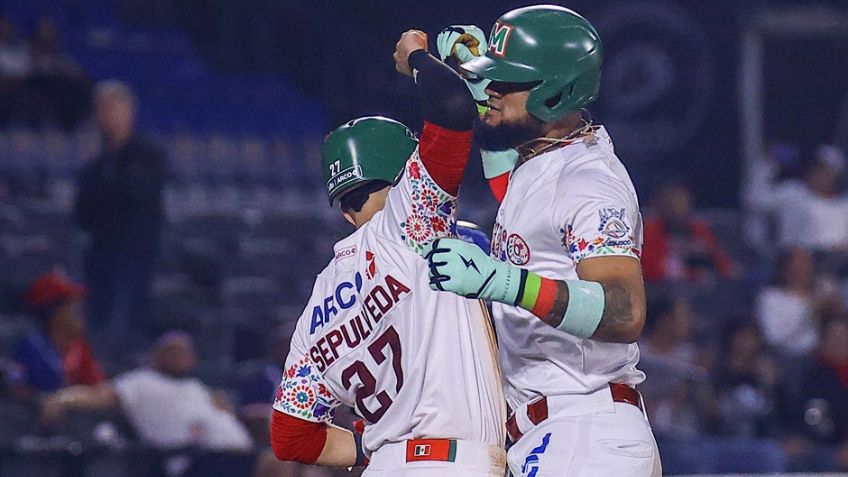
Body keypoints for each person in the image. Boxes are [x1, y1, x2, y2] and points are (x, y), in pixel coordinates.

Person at [423, 6, 661, 475]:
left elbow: (625, 311)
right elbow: (522, 210)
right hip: (557, 433)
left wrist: (504, 281)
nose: (491, 89)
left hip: (585, 430)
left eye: (506, 81)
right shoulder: (545, 158)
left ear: (555, 92)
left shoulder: (590, 181)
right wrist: (482, 93)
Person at [269, 30, 506, 476]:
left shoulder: (314, 310)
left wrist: (370, 450)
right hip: (454, 465)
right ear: (406, 171)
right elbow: (452, 106)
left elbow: (290, 437)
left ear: (344, 210)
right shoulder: (413, 217)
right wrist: (416, 56)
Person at [74, 80, 167, 359]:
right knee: (98, 318)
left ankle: (121, 365)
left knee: (126, 321)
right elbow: (83, 210)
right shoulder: (96, 160)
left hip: (134, 252)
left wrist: (106, 186)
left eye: (113, 108)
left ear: (129, 112)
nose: (107, 116)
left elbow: (138, 196)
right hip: (100, 251)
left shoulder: (147, 153)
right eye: (101, 109)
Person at [41, 331, 252, 453]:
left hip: (237, 452)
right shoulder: (140, 381)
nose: (181, 356)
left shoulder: (196, 386)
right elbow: (97, 396)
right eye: (173, 350)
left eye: (185, 351)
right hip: (190, 458)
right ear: (156, 355)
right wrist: (61, 399)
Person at [7, 270, 105, 399]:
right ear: (55, 315)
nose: (81, 314)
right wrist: (40, 400)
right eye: (73, 307)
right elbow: (14, 389)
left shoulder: (79, 347)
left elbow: (99, 389)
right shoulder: (29, 349)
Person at [745, 143, 848, 254]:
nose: (818, 174)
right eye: (815, 167)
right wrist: (766, 164)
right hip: (792, 259)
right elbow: (754, 200)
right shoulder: (793, 192)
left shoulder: (844, 205)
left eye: (825, 171)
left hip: (834, 261)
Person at [755, 247, 842, 359]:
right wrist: (811, 311)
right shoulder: (770, 298)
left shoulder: (824, 287)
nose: (805, 270)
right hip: (791, 358)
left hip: (828, 355)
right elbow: (774, 337)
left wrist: (836, 307)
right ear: (785, 270)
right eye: (798, 266)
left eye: (807, 264)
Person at [641, 181, 735, 283]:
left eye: (682, 203)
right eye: (671, 205)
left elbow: (722, 263)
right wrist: (691, 274)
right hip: (660, 288)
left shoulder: (699, 229)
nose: (677, 210)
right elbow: (648, 269)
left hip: (699, 288)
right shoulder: (649, 231)